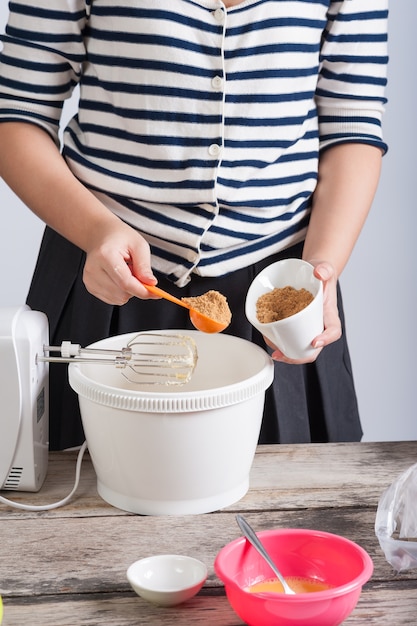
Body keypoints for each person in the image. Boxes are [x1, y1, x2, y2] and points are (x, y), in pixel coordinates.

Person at [0, 1, 388, 450]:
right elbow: (17, 112)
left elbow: (353, 122)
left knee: (289, 499)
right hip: (107, 278)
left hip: (277, 294)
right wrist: (95, 231)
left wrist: (320, 268)